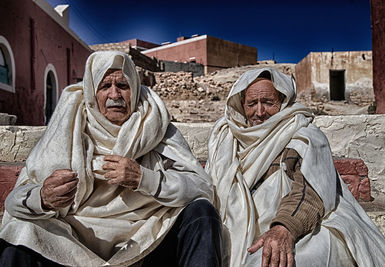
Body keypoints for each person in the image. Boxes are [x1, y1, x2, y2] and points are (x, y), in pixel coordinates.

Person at [0, 51, 222, 266]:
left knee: (201, 213)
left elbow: (202, 189)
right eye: (105, 86)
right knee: (19, 231)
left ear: (134, 90)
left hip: (147, 241)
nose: (115, 95)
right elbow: (14, 204)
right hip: (75, 246)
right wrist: (43, 197)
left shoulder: (155, 128)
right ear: (91, 93)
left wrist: (144, 179)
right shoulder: (68, 129)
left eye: (123, 86)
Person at [206, 67, 385, 266]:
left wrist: (284, 227)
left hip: (301, 226)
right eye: (252, 104)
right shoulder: (227, 141)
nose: (260, 112)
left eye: (268, 103)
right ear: (241, 105)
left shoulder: (303, 135)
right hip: (238, 236)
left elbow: (309, 190)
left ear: (283, 101)